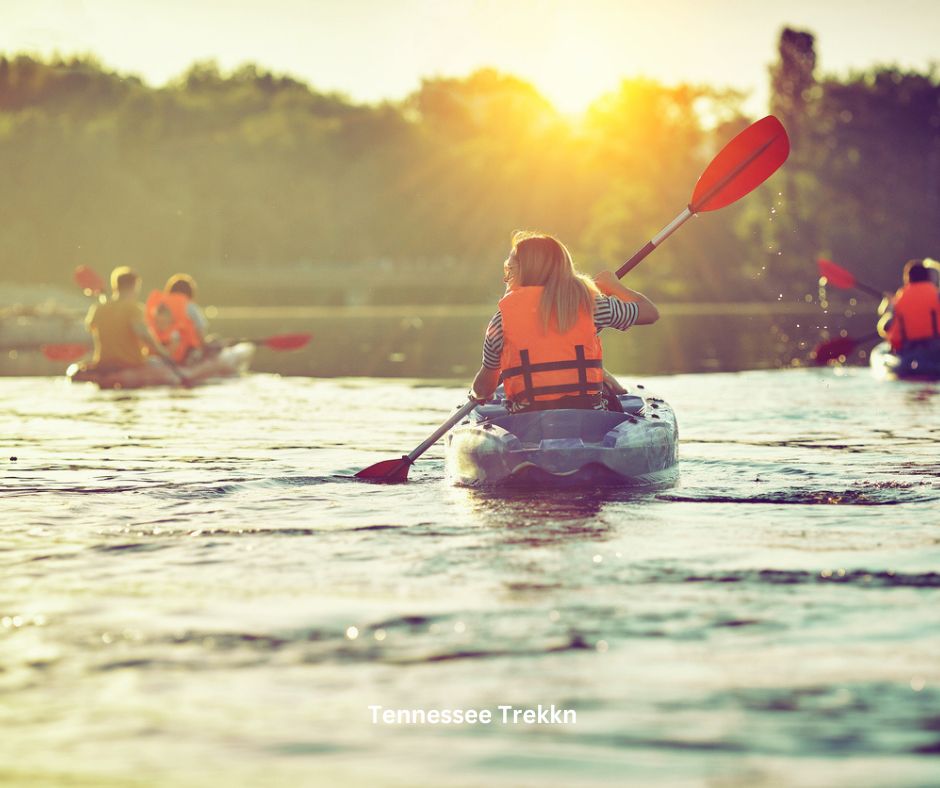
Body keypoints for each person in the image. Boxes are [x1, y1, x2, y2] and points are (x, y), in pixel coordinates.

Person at [470, 231, 659, 412]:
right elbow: (650, 312)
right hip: (589, 417)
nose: (507, 276)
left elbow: (483, 389)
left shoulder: (500, 322)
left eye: (509, 269)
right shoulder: (592, 306)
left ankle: (614, 385)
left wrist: (476, 393)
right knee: (606, 386)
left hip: (527, 420)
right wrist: (615, 287)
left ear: (521, 272)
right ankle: (617, 388)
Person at [84, 267, 173, 371]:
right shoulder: (134, 309)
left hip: (103, 363)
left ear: (115, 286)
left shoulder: (98, 308)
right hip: (130, 363)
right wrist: (163, 352)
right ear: (135, 286)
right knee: (159, 363)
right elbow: (144, 335)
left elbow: (90, 329)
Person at [145, 273, 214, 363]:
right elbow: (201, 333)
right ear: (190, 292)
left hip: (157, 352)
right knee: (213, 343)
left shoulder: (158, 306)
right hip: (184, 355)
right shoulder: (190, 306)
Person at [877, 259, 940, 352]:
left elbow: (885, 326)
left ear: (908, 278)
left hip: (908, 350)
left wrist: (890, 302)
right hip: (936, 349)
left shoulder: (899, 298)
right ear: (927, 277)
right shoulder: (937, 295)